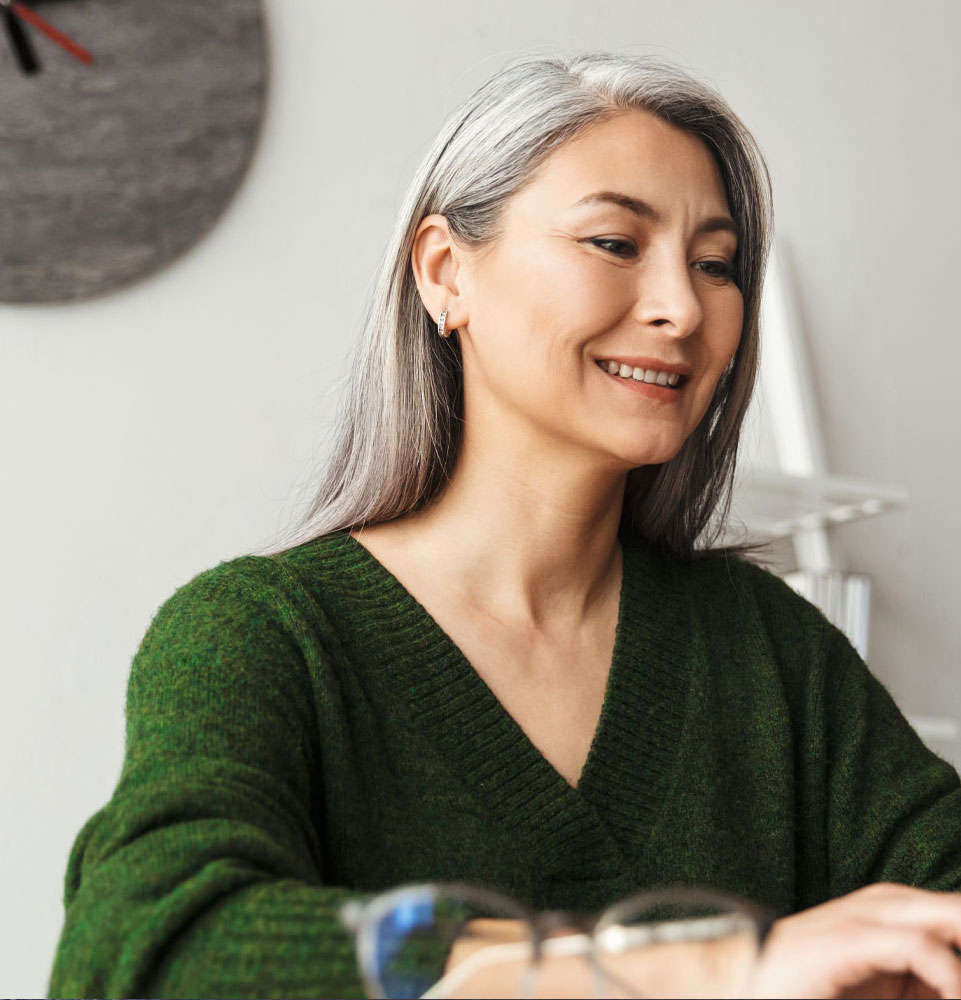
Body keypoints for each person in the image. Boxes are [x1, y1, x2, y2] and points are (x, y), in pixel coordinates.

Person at [48, 49, 961, 1000]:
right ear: (445, 273)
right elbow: (150, 950)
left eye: (715, 265)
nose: (682, 308)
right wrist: (703, 967)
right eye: (614, 243)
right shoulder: (263, 635)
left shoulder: (771, 653)